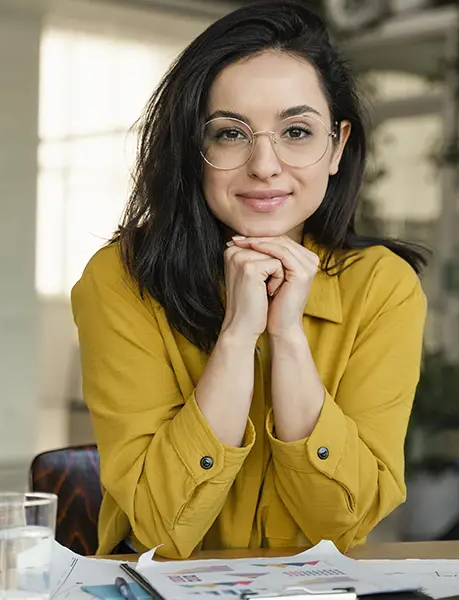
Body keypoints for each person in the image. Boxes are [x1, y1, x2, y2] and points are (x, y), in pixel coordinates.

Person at [70, 0, 429, 558]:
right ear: (195, 148)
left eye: (296, 131)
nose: (265, 164)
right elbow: (160, 530)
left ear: (336, 147)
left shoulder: (383, 287)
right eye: (231, 134)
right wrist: (238, 336)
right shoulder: (121, 279)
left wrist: (287, 336)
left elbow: (345, 525)